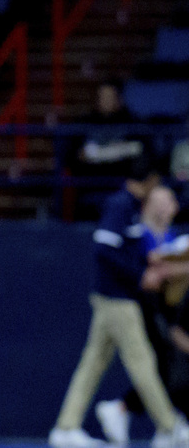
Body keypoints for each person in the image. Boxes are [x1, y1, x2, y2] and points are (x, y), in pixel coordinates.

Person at [49, 177, 189, 448]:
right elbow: (104, 250)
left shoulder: (133, 207)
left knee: (92, 364)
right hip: (117, 299)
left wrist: (148, 265)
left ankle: (66, 427)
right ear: (147, 179)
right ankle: (169, 426)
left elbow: (127, 250)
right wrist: (140, 275)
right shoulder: (120, 204)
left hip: (116, 297)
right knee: (142, 362)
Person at [95, 186, 185, 446]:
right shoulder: (142, 234)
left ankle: (127, 411)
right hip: (141, 306)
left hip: (162, 308)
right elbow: (151, 267)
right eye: (160, 201)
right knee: (152, 364)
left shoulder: (169, 235)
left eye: (169, 201)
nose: (167, 206)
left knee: (161, 364)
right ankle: (163, 424)